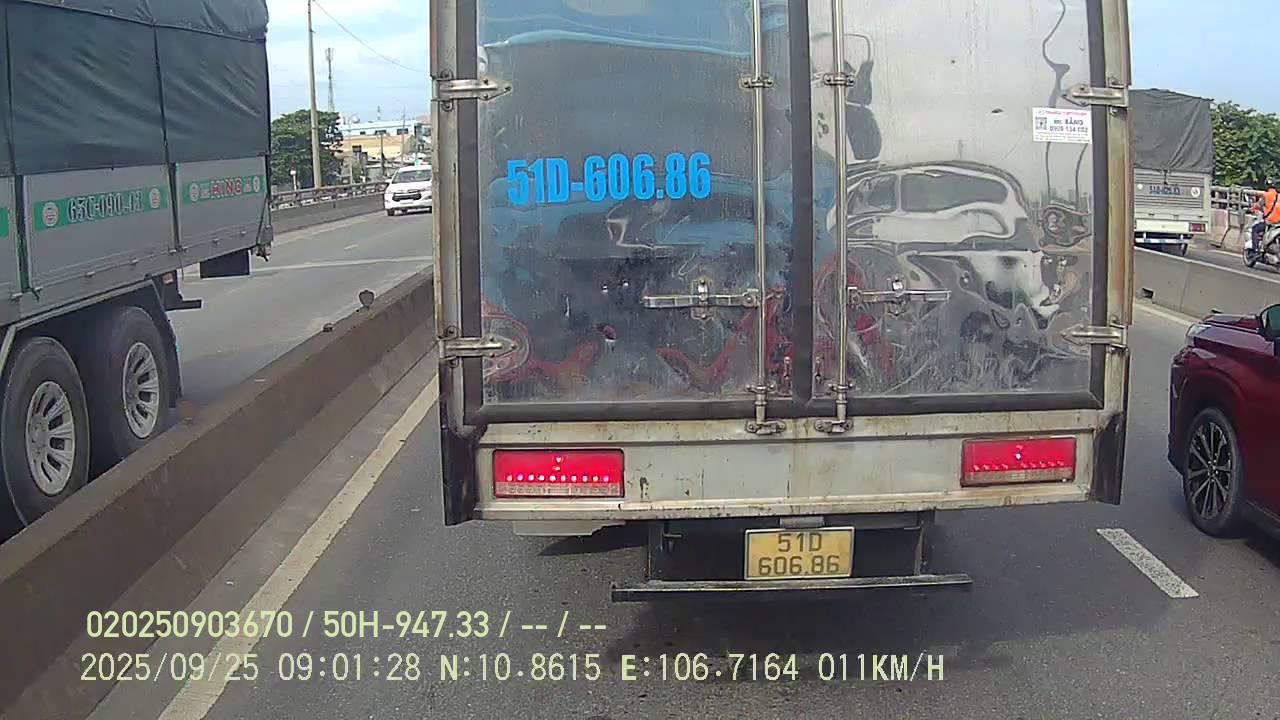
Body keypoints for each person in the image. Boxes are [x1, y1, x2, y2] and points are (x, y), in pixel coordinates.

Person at [1249, 186, 1280, 250]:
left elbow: (1258, 205)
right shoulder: (1279, 196)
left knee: (1255, 229)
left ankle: (1255, 249)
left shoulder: (1266, 195)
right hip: (1278, 223)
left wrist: (1251, 209)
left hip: (1269, 222)